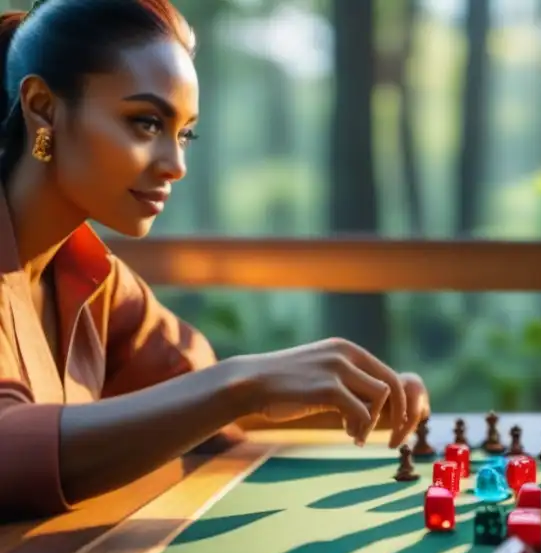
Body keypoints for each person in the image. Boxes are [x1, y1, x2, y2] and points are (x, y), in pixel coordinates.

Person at [0, 0, 430, 519]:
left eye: (184, 134)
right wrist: (241, 385)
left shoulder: (93, 278)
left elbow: (194, 401)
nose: (176, 165)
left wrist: (338, 393)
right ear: (43, 107)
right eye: (144, 123)